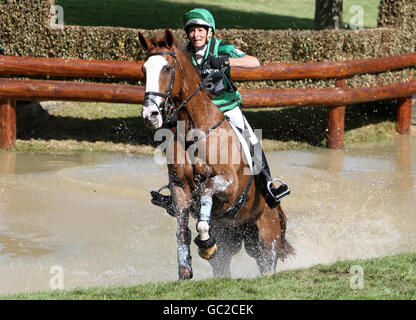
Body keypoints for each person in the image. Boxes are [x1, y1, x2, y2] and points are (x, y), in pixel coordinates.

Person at [151, 8, 289, 211]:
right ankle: (175, 191)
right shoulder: (185, 54)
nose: (195, 35)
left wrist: (226, 61)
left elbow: (254, 62)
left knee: (250, 138)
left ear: (210, 31)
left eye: (200, 30)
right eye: (191, 31)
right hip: (195, 114)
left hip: (226, 108)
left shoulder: (221, 48)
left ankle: (268, 184)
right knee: (172, 139)